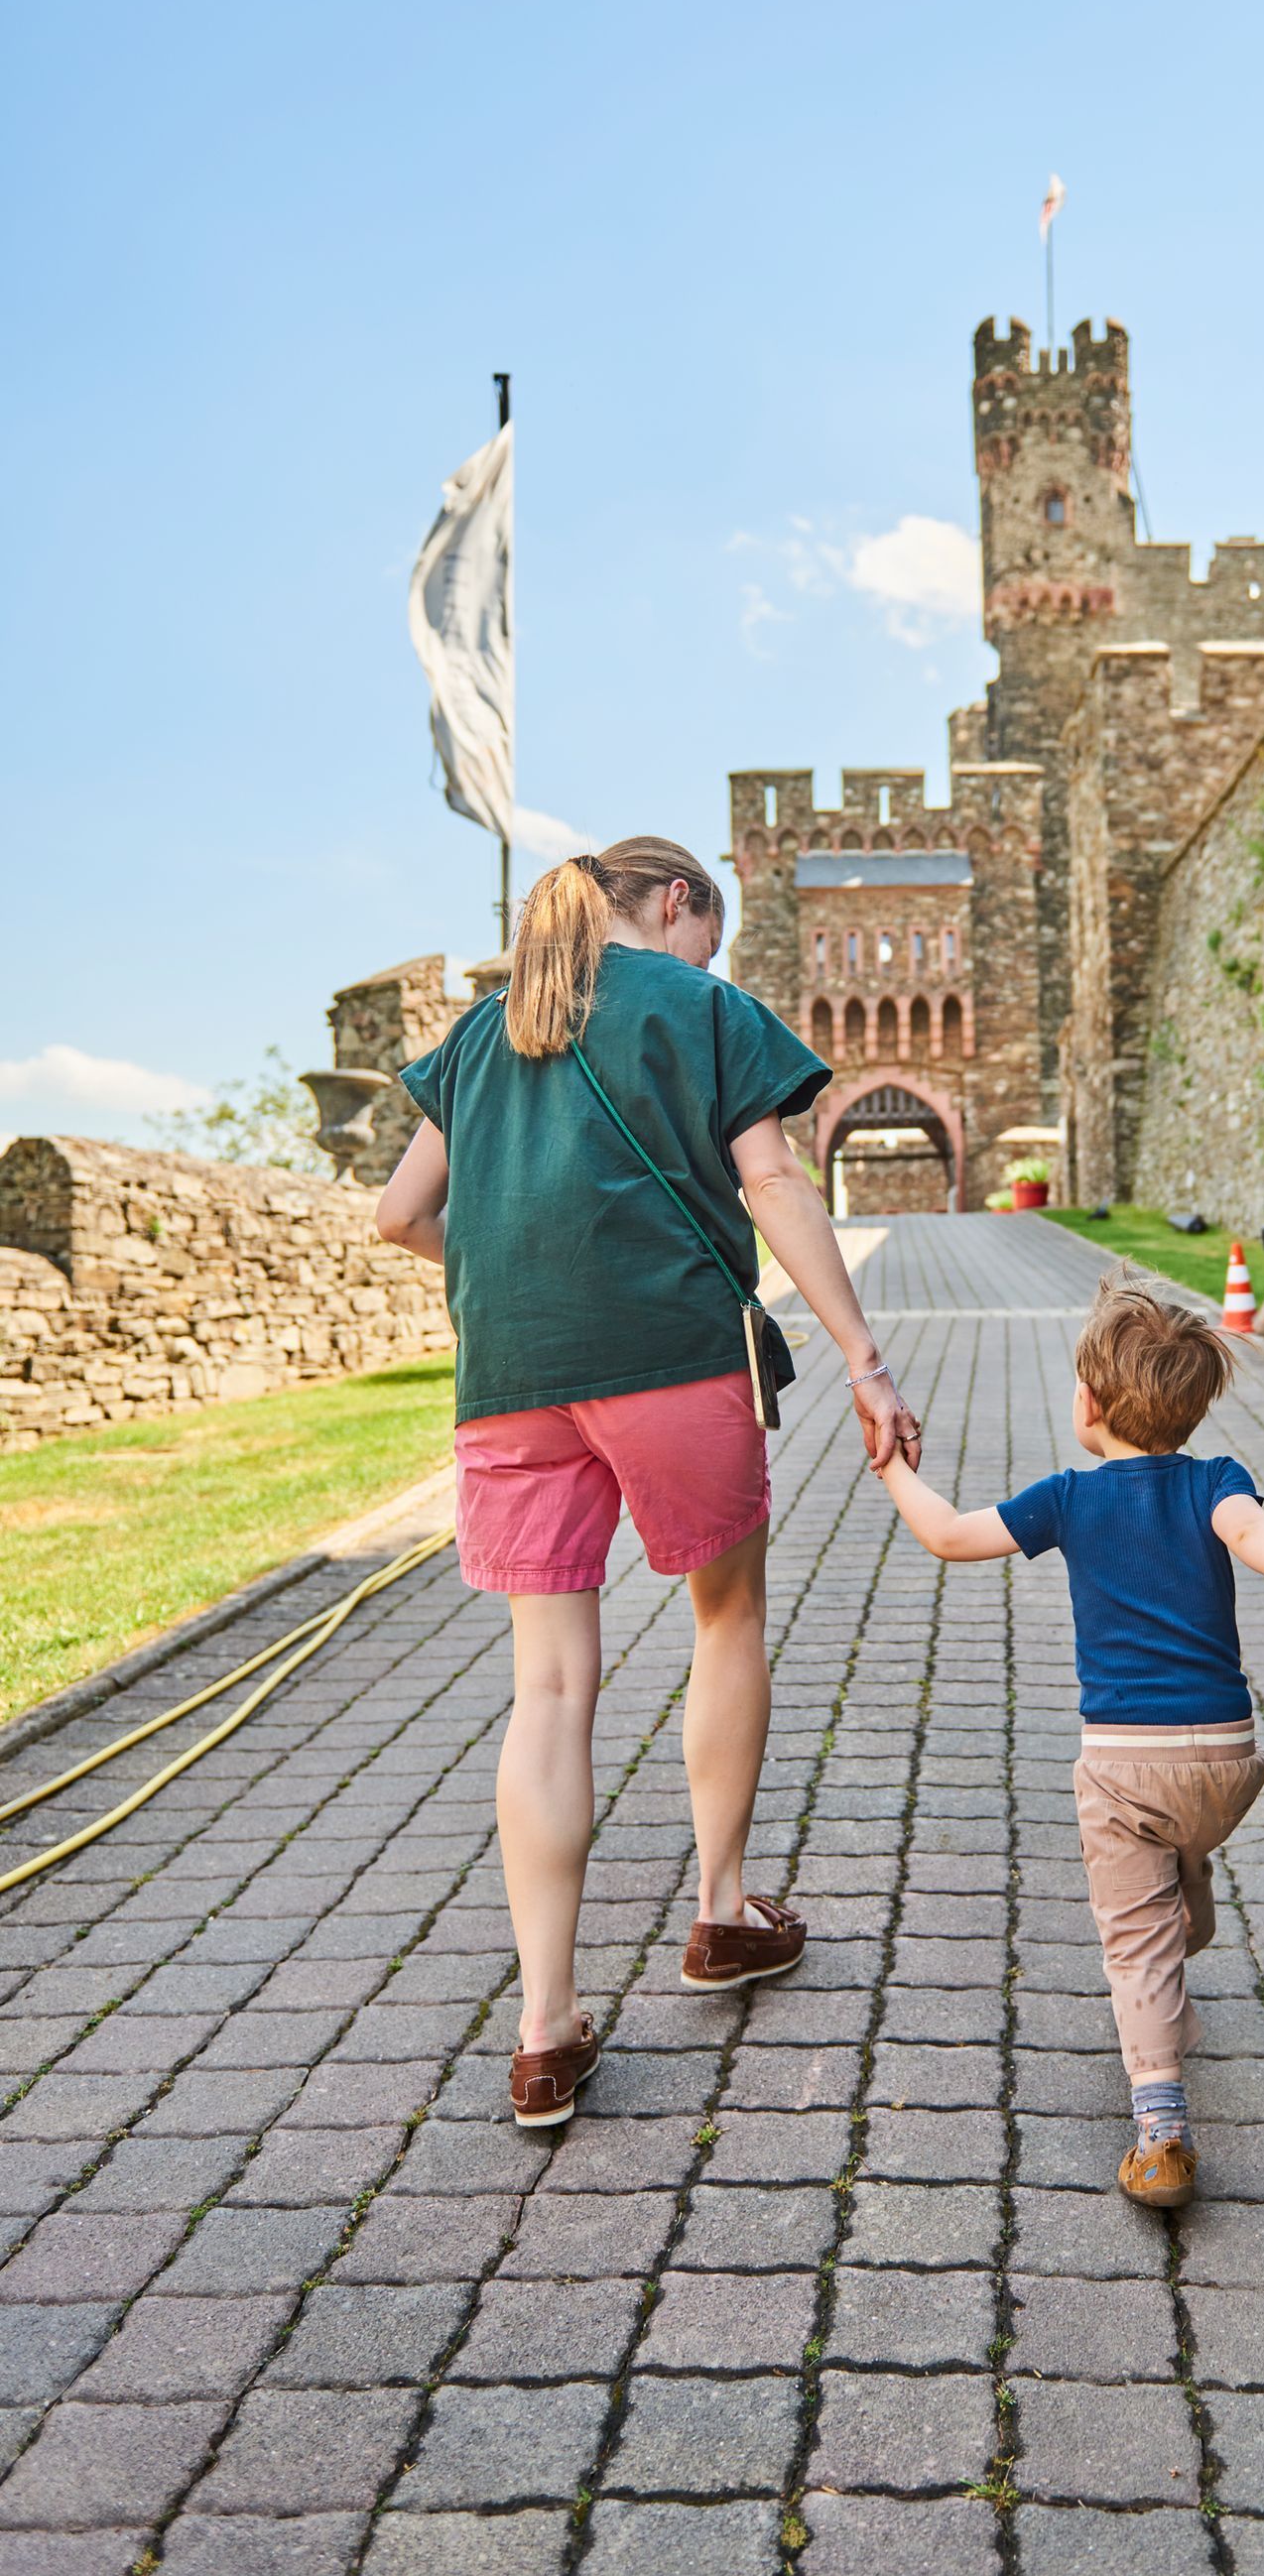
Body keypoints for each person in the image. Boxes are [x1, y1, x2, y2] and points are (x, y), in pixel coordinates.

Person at [376, 835, 922, 2129]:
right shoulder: (704, 1005)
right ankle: (723, 1916)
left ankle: (544, 2029)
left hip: (512, 1375)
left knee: (550, 1685)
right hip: (678, 1357)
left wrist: (511, 1276)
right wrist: (863, 1357)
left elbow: (398, 1217)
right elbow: (773, 1179)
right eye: (705, 934)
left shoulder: (480, 1033)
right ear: (677, 904)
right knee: (723, 1618)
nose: (704, 958)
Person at [877, 1270, 1264, 2206]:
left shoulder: (1069, 1497)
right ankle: (1191, 1904)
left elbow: (944, 1534)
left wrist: (892, 1463)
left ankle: (1162, 2130)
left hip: (1124, 1771)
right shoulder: (1216, 1482)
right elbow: (1258, 1533)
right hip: (1228, 1765)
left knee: (1134, 1940)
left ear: (1093, 1402)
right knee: (1176, 1844)